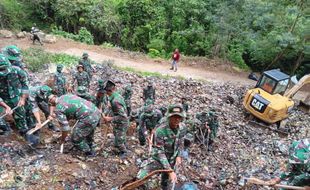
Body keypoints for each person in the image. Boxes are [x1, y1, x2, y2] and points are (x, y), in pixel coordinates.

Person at [137, 104, 186, 190]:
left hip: (172, 160)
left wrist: (179, 156)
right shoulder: (160, 131)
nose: (177, 119)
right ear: (169, 117)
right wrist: (169, 171)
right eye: (174, 117)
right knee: (141, 177)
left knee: (168, 184)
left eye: (179, 117)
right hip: (158, 159)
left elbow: (181, 143)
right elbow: (160, 152)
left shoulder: (182, 128)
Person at [0, 54, 29, 136]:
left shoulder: (17, 70)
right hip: (2, 99)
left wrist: (22, 98)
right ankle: (6, 131)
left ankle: (24, 132)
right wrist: (6, 106)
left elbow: (25, 84)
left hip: (16, 97)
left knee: (20, 116)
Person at [102, 80, 129, 157]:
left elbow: (123, 116)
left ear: (107, 91)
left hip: (122, 122)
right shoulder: (115, 96)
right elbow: (111, 106)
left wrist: (110, 119)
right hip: (118, 122)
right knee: (117, 135)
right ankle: (122, 143)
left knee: (118, 141)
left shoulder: (115, 101)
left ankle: (124, 152)